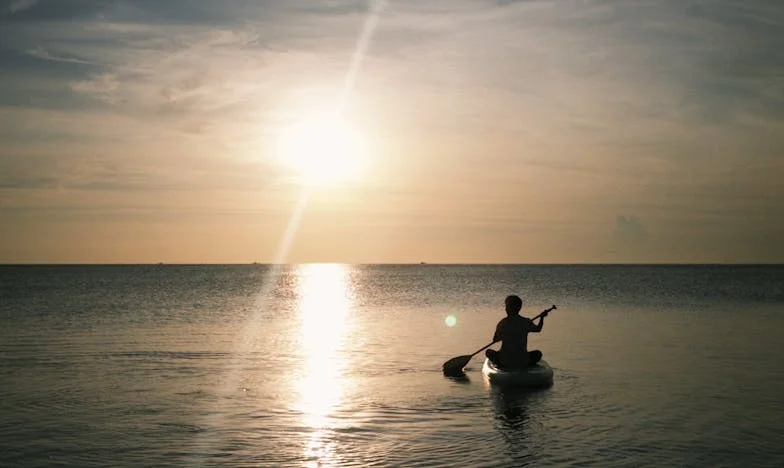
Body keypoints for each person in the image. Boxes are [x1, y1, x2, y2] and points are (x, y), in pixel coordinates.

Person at [485, 295, 548, 369]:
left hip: (505, 361)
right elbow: (538, 329)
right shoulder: (526, 322)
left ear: (509, 308)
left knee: (488, 352)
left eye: (507, 306)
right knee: (538, 354)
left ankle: (501, 365)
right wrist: (542, 318)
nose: (506, 309)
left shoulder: (502, 323)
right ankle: (527, 365)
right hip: (523, 360)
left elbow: (495, 340)